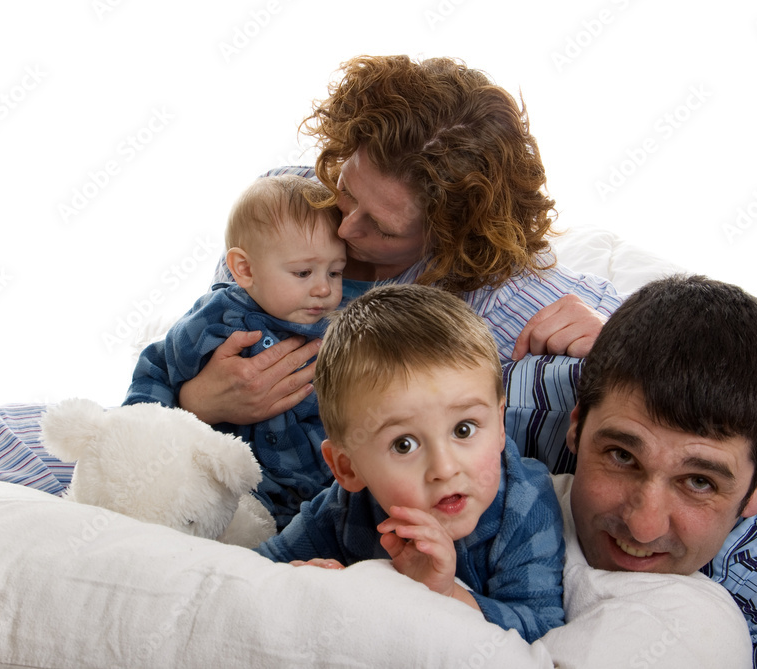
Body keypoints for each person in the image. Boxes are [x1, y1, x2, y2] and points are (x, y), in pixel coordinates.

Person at [177, 54, 624, 430]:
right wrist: (196, 402)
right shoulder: (287, 201)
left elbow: (682, 354)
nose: (346, 228)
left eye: (384, 228)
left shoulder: (500, 301)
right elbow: (203, 331)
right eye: (348, 191)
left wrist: (619, 344)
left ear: (451, 237)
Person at [526, 275, 757, 667]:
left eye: (699, 482)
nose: (644, 526)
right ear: (577, 423)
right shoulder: (520, 405)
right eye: (622, 457)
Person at [255, 284, 566, 644]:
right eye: (404, 444)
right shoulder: (345, 508)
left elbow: (543, 632)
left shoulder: (526, 505)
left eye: (463, 429)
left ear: (499, 426)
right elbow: (255, 571)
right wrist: (296, 579)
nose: (445, 469)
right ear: (348, 468)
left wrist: (447, 595)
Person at [124, 174, 346, 528]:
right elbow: (157, 365)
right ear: (244, 269)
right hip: (229, 482)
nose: (323, 288)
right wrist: (144, 434)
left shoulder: (338, 333)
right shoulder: (218, 319)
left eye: (335, 272)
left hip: (311, 492)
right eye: (303, 272)